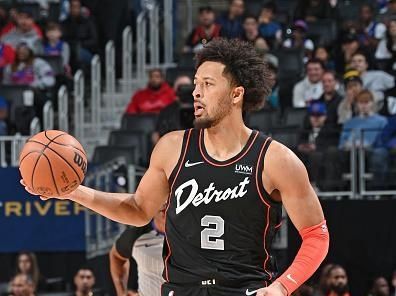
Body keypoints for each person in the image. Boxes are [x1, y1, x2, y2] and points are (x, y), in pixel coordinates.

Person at [22, 38, 329, 296]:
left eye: (208, 84)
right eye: (196, 83)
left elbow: (317, 235)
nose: (196, 92)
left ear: (237, 94)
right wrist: (73, 191)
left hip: (243, 290)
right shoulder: (172, 147)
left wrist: (282, 287)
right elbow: (138, 209)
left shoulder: (276, 159)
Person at [109, 209, 166, 296]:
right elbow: (116, 256)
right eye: (162, 199)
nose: (165, 203)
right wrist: (121, 292)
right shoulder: (136, 234)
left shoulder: (191, 232)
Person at [152, 75, 193, 143]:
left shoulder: (201, 109)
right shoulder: (166, 111)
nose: (184, 90)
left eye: (186, 86)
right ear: (175, 90)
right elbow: (157, 135)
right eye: (180, 87)